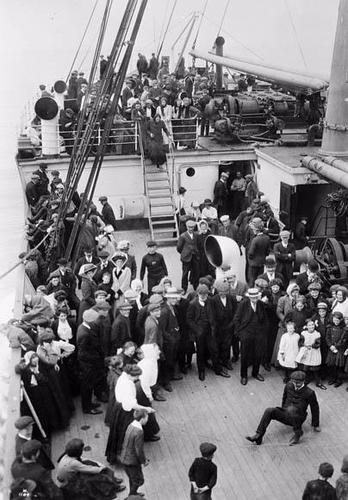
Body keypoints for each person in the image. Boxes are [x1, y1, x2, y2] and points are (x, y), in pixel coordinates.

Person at [246, 370, 320, 446]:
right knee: (269, 410)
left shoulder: (309, 393)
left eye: (298, 383)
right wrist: (283, 410)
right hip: (286, 413)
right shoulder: (289, 385)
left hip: (298, 417)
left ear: (303, 381)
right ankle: (259, 435)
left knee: (292, 410)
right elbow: (284, 397)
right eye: (294, 382)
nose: (296, 384)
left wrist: (315, 425)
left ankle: (298, 433)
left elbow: (315, 408)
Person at [105, 364, 154, 464]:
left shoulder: (122, 378)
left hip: (118, 408)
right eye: (136, 376)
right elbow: (131, 404)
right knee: (125, 434)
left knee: (117, 433)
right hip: (125, 411)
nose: (137, 378)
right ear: (131, 375)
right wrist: (146, 408)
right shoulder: (129, 385)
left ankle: (114, 456)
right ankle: (126, 457)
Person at [56, 438, 125, 499]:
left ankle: (112, 480)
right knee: (96, 477)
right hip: (68, 481)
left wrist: (97, 464)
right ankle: (113, 487)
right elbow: (89, 469)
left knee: (91, 463)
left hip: (72, 474)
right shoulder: (73, 463)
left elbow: (83, 460)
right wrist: (101, 468)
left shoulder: (67, 455)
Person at [234, 288, 269, 385]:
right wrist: (240, 334)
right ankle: (244, 376)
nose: (254, 299)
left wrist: (263, 333)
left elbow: (265, 319)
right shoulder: (243, 304)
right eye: (252, 297)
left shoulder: (261, 304)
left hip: (258, 334)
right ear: (249, 297)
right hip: (246, 333)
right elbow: (236, 319)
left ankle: (255, 373)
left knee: (258, 354)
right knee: (245, 355)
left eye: (256, 297)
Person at [77, 309, 106, 414]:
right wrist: (96, 359)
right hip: (87, 365)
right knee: (87, 387)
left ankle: (89, 403)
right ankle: (87, 408)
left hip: (88, 364)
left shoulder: (83, 327)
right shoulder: (84, 334)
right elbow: (83, 353)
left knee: (89, 386)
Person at [120, 409, 149, 497]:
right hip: (132, 461)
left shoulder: (130, 426)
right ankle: (131, 496)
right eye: (147, 417)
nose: (147, 419)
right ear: (142, 418)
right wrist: (144, 461)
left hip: (125, 457)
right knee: (139, 480)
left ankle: (133, 494)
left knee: (132, 479)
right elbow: (138, 449)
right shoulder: (139, 431)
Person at [177, 219, 200, 293]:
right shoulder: (183, 236)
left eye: (192, 227)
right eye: (189, 227)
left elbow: (198, 244)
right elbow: (179, 248)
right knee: (185, 274)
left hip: (195, 257)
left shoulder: (196, 235)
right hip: (186, 258)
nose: (191, 229)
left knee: (196, 272)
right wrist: (184, 253)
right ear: (187, 227)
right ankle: (184, 288)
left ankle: (196, 287)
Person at [247, 218, 270, 286]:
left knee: (252, 279)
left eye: (253, 229)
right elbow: (268, 251)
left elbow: (251, 253)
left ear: (256, 230)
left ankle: (251, 292)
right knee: (260, 279)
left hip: (253, 263)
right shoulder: (267, 238)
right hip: (262, 262)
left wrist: (250, 258)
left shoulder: (255, 240)